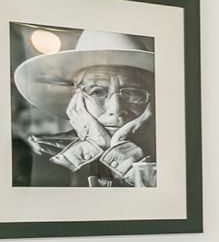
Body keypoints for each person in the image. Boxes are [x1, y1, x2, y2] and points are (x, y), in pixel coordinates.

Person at [12, 29, 157, 187]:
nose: (115, 109)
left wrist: (128, 158)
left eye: (133, 93)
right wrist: (92, 146)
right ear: (76, 99)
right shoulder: (40, 152)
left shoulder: (173, 156)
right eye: (97, 91)